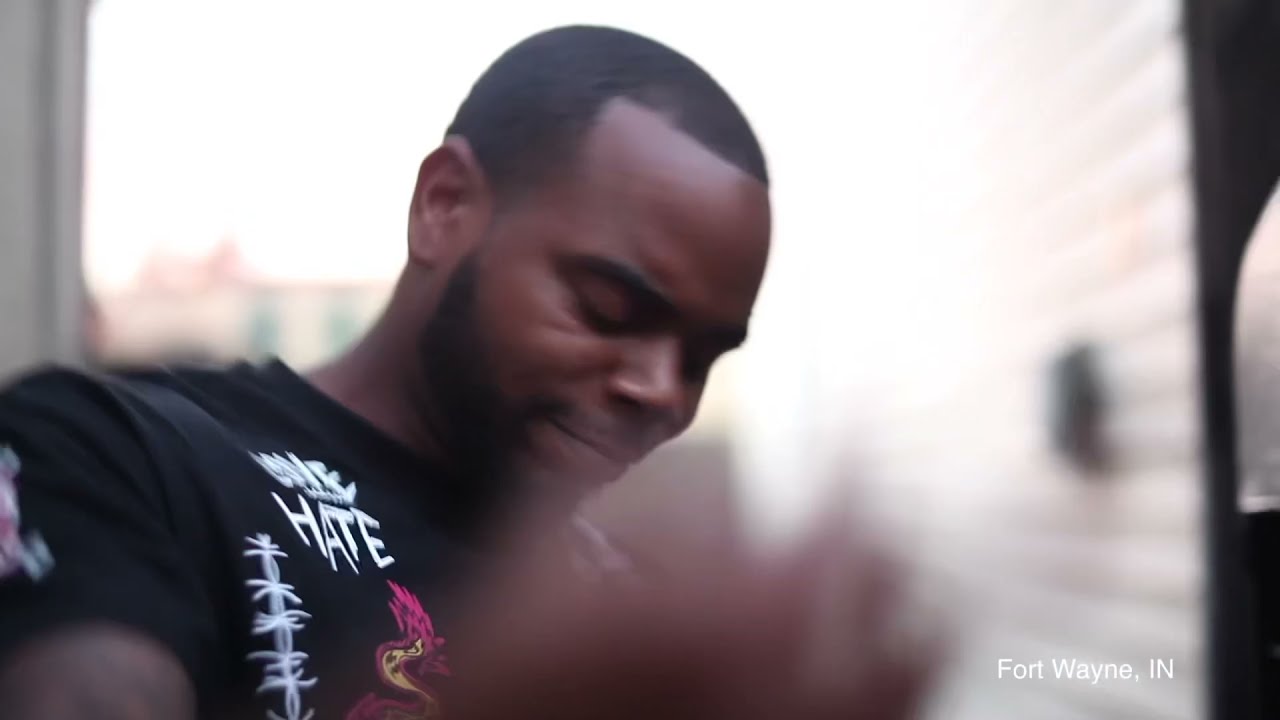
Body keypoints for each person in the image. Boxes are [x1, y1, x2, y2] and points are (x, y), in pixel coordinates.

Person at [0, 25, 933, 720]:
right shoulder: (112, 458)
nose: (662, 393)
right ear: (445, 207)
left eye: (702, 358)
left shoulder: (621, 608)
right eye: (609, 308)